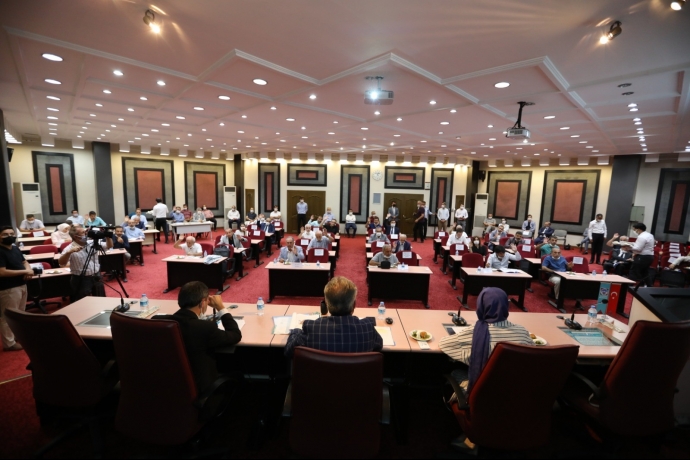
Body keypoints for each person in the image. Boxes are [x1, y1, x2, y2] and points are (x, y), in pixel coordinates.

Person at [439, 287, 533, 397]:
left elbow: (444, 344)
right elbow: (533, 354)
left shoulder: (476, 332)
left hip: (482, 394)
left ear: (481, 307)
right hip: (515, 392)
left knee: (455, 371)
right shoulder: (522, 332)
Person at [155, 281, 241, 393]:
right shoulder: (204, 328)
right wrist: (221, 308)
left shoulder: (158, 322)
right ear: (202, 303)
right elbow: (235, 335)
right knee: (238, 376)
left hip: (165, 387)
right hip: (201, 391)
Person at [284, 276, 382, 358]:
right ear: (354, 305)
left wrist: (296, 330)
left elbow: (288, 351)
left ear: (326, 304)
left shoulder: (311, 328)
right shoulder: (368, 328)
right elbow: (379, 346)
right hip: (356, 376)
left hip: (319, 376)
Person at [0, 226, 33, 351]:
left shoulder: (14, 248)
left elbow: (24, 262)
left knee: (20, 313)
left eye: (11, 233)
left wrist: (28, 270)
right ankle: (9, 344)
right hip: (8, 288)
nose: (9, 236)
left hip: (21, 285)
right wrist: (24, 272)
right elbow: (2, 272)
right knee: (8, 316)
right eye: (5, 234)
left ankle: (17, 336)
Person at [58, 225, 112, 301]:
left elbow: (109, 246)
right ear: (76, 236)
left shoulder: (92, 243)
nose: (86, 234)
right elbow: (61, 263)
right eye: (83, 233)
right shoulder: (69, 248)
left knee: (101, 299)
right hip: (81, 279)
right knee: (82, 301)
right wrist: (69, 253)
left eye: (86, 231)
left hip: (96, 275)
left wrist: (108, 236)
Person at [629, 222, 655, 288]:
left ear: (639, 229)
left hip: (642, 256)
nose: (634, 231)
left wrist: (628, 247)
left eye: (634, 229)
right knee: (645, 272)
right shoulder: (650, 235)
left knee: (633, 271)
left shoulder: (641, 237)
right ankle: (649, 286)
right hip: (649, 256)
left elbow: (638, 249)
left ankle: (630, 286)